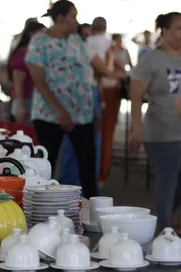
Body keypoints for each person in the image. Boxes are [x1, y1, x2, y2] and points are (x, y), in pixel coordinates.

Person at [25, 0, 98, 198]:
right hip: (49, 114)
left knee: (88, 164)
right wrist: (59, 110)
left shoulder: (76, 40)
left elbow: (86, 71)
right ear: (60, 19)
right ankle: (42, 206)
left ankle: (91, 210)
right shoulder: (40, 42)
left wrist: (91, 108)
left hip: (81, 115)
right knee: (46, 163)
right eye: (73, 16)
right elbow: (38, 80)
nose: (76, 21)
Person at [130, 12, 181, 232]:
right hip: (160, 132)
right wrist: (137, 129)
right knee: (168, 178)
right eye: (179, 28)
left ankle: (170, 214)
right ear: (165, 30)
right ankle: (164, 229)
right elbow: (135, 96)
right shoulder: (152, 59)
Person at [58, 23, 124, 189]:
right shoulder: (85, 49)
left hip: (69, 98)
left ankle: (69, 186)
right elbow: (104, 70)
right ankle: (85, 188)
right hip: (85, 97)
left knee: (71, 144)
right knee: (89, 144)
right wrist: (118, 75)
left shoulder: (63, 48)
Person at [98, 33, 132, 184]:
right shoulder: (106, 51)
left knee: (104, 135)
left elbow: (122, 71)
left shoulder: (108, 52)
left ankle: (102, 173)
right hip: (105, 93)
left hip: (107, 93)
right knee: (104, 135)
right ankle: (101, 173)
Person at [9, 21, 46, 123]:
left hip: (32, 100)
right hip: (26, 100)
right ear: (31, 34)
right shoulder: (23, 54)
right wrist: (21, 106)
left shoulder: (35, 52)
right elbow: (18, 80)